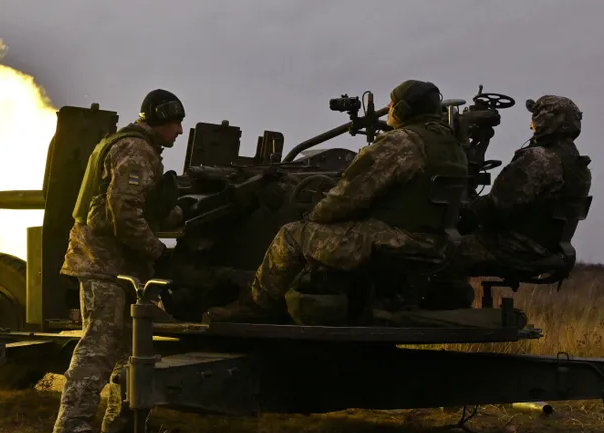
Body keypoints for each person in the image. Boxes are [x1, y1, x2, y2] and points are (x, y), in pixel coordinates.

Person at [205, 79, 469, 323]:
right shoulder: (452, 147)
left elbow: (346, 197)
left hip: (396, 240)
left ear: (402, 109)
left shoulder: (400, 143)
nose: (388, 110)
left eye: (392, 105)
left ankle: (254, 308)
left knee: (292, 236)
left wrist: (313, 217)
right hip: (437, 244)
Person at [51, 88, 186, 433]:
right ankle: (72, 426)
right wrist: (159, 251)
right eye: (174, 123)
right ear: (157, 121)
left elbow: (140, 206)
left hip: (117, 264)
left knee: (129, 348)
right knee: (100, 342)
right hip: (103, 262)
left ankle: (122, 421)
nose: (179, 131)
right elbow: (124, 214)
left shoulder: (136, 147)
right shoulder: (135, 150)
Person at [459, 95, 591, 275]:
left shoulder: (539, 160)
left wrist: (462, 211)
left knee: (438, 251)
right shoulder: (579, 167)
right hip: (545, 251)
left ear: (547, 120)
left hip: (512, 249)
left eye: (535, 120)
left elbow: (495, 208)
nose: (531, 126)